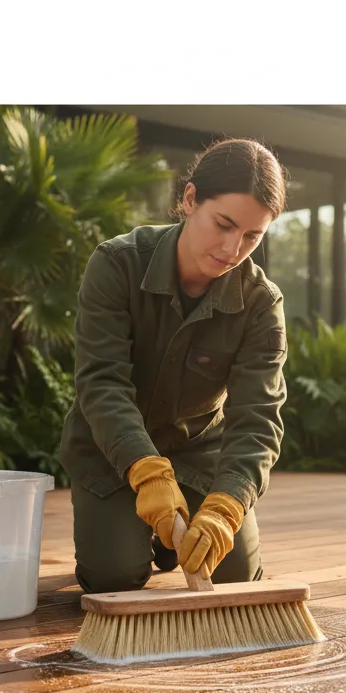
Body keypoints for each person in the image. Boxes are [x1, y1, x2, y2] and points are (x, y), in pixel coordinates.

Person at [59, 137, 289, 594]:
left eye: (252, 236)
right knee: (113, 578)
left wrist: (226, 507)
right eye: (223, 224)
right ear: (189, 199)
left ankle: (172, 539)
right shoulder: (116, 265)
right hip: (111, 453)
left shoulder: (262, 303)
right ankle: (137, 535)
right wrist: (146, 471)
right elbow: (102, 383)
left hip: (199, 454)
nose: (232, 248)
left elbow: (257, 420)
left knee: (235, 577)